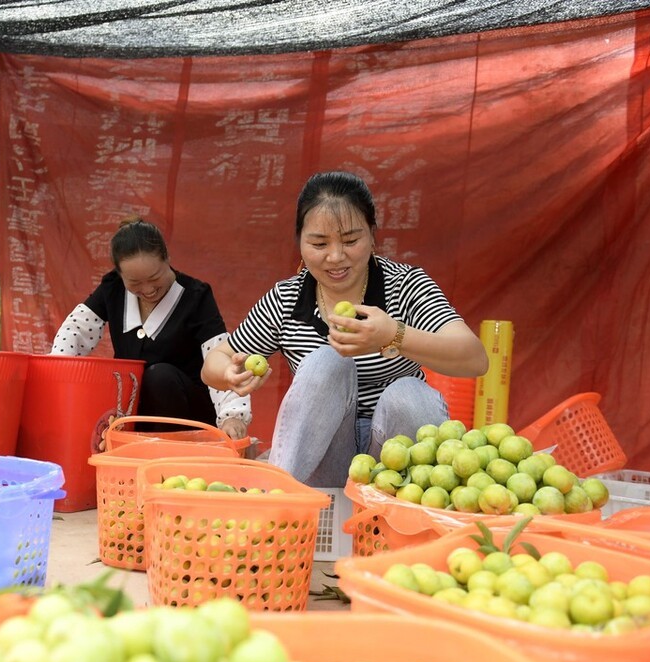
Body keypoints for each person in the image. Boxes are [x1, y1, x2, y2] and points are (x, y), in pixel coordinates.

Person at [202, 171, 488, 486]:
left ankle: (405, 508)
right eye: (319, 243)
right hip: (324, 459)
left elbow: (474, 358)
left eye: (351, 240)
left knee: (411, 394)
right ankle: (279, 496)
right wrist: (230, 374)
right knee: (327, 362)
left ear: (372, 235)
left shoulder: (405, 285)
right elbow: (215, 362)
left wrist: (395, 335)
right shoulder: (287, 298)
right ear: (300, 242)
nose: (336, 257)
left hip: (396, 465)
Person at [52, 217, 250, 440]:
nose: (148, 290)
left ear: (167, 258)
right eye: (135, 283)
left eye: (155, 278)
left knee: (159, 376)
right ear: (120, 275)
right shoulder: (113, 289)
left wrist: (233, 415)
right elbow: (75, 330)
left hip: (187, 417)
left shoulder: (195, 296)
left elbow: (221, 355)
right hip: (134, 413)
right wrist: (55, 375)